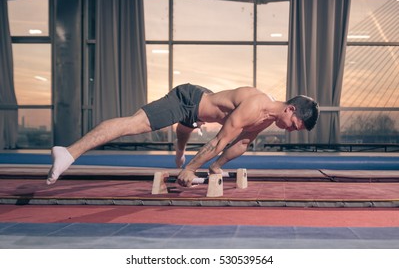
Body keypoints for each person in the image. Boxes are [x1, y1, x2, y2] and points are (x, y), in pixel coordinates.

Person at [47, 83, 319, 187]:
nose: (294, 130)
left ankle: (179, 151)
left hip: (199, 111)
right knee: (133, 124)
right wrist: (190, 168)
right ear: (290, 109)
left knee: (187, 130)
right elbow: (219, 141)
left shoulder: (267, 118)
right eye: (296, 123)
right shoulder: (255, 106)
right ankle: (68, 152)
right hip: (186, 100)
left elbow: (242, 144)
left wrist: (215, 167)